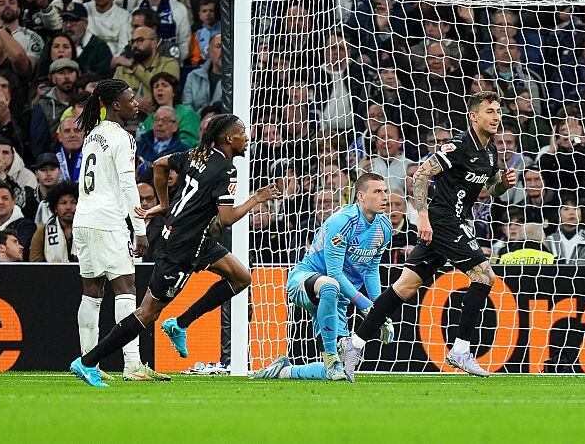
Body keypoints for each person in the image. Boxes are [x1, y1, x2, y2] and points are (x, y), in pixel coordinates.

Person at [70, 114, 281, 387]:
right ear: (230, 139)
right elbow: (226, 218)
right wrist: (257, 198)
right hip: (182, 246)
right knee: (147, 312)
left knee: (241, 278)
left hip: (198, 238)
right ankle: (87, 362)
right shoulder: (227, 170)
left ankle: (179, 324)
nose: (247, 138)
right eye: (242, 133)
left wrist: (164, 203)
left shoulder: (197, 154)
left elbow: (160, 164)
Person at [341, 91, 517, 380]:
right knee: (484, 276)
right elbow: (422, 174)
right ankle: (460, 350)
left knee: (406, 287)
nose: (496, 116)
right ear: (474, 116)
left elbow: (491, 190)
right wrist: (422, 214)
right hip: (442, 220)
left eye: (498, 111)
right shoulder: (458, 146)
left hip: (452, 222)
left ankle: (354, 343)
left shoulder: (489, 152)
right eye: (489, 111)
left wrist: (503, 185)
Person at [250, 173, 394, 381]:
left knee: (341, 372)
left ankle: (283, 371)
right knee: (329, 286)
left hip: (338, 299)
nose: (385, 197)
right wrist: (367, 307)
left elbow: (371, 269)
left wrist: (380, 310)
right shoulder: (342, 221)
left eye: (385, 191)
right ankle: (332, 358)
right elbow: (334, 273)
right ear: (361, 196)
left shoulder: (384, 227)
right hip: (305, 281)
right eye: (377, 192)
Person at [71, 79, 168, 382]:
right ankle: (133, 365)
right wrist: (139, 229)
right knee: (126, 289)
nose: (136, 102)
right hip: (107, 221)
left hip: (83, 219)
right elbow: (128, 186)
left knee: (91, 293)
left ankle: (88, 362)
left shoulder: (93, 135)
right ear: (116, 105)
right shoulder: (122, 137)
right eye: (130, 98)